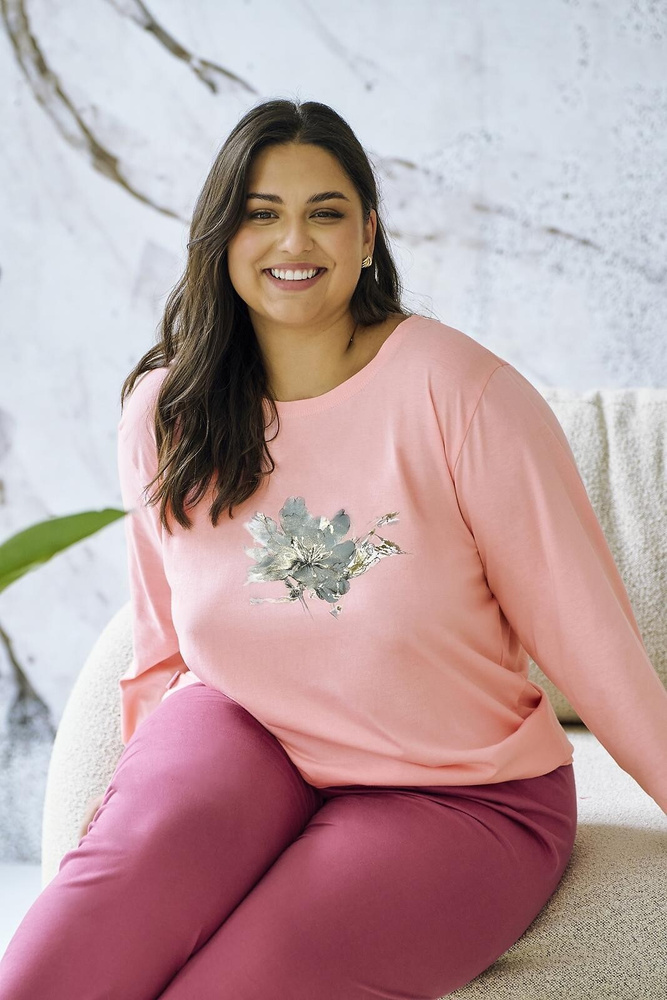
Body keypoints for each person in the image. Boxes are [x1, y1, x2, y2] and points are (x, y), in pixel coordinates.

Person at [1, 98, 666, 1000]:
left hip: (456, 791)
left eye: (324, 212)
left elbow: (595, 647)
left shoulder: (461, 395)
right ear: (221, 235)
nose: (293, 241)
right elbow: (161, 640)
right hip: (242, 734)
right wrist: (140, 811)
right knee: (62, 959)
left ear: (367, 235)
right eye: (261, 212)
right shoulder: (168, 411)